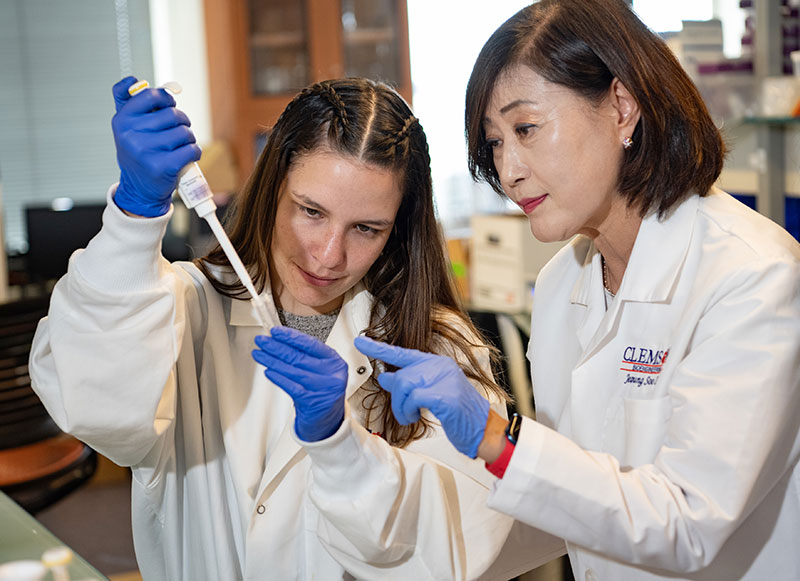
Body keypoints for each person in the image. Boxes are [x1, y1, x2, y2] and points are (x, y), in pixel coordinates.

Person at [29, 77, 563, 579]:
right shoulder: (178, 311)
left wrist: (342, 443)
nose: (329, 255)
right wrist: (132, 218)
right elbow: (94, 408)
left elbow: (457, 548)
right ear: (272, 191)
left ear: (398, 229)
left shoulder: (436, 348)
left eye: (366, 228)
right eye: (310, 211)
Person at [354, 1, 800, 580]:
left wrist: (500, 441)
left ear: (621, 107)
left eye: (526, 129)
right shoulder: (563, 281)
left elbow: (688, 521)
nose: (508, 169)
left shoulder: (752, 276)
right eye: (493, 143)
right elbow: (570, 504)